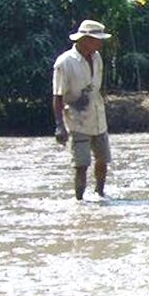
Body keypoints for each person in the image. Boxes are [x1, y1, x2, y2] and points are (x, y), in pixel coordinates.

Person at [53, 19, 112, 200]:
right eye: (98, 40)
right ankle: (79, 200)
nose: (100, 44)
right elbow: (58, 96)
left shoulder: (97, 58)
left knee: (103, 160)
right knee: (81, 164)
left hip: (98, 116)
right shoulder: (65, 63)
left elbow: (96, 88)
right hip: (77, 119)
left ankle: (100, 194)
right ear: (85, 39)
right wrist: (60, 126)